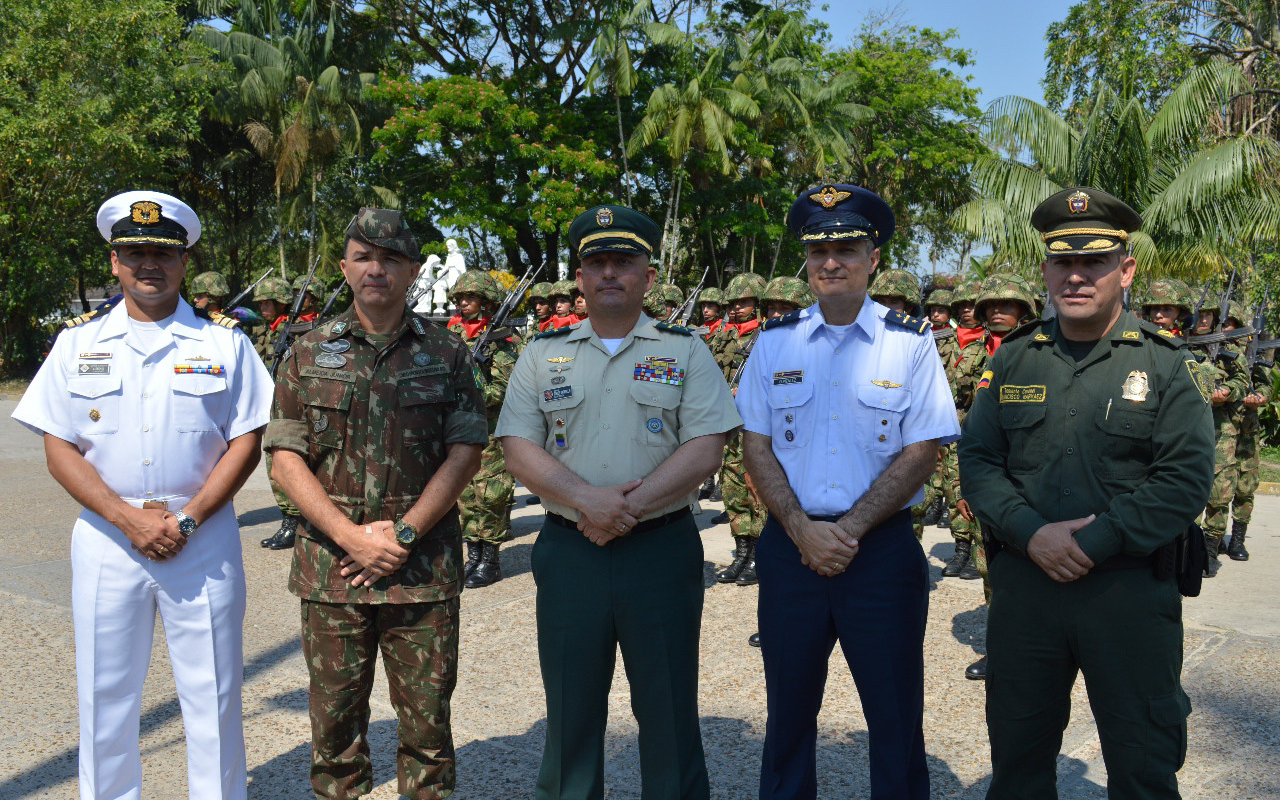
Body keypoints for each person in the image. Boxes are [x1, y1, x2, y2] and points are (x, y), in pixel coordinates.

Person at [12, 190, 273, 799]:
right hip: (107, 536)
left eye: (162, 253)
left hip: (202, 536)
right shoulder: (77, 343)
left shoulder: (225, 342)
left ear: (183, 261)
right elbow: (59, 446)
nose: (147, 265)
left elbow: (246, 441)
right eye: (134, 253)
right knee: (105, 695)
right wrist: (127, 519)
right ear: (113, 261)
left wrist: (185, 520)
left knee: (212, 694)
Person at [958, 187, 1214, 800]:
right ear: (1045, 269)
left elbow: (1184, 477)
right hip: (1026, 593)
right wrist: (1031, 533)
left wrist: (1094, 541)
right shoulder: (1015, 359)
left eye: (1093, 262)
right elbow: (978, 460)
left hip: (1127, 593)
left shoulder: (1164, 364)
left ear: (1124, 270)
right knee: (1018, 764)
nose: (1075, 276)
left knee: (1143, 764)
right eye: (1062, 262)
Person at [496, 203, 740, 800]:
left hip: (659, 551)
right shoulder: (538, 354)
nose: (610, 273)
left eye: (623, 261)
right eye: (596, 262)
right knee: (571, 706)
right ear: (578, 278)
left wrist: (622, 509)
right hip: (569, 549)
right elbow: (517, 447)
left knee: (669, 707)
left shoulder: (686, 351)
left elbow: (707, 446)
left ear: (648, 276)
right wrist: (586, 501)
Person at [738, 184, 959, 800]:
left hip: (881, 554)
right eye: (817, 250)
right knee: (786, 715)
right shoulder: (773, 342)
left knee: (893, 717)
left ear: (873, 257)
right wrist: (803, 530)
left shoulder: (909, 343)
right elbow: (755, 445)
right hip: (790, 549)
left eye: (847, 248)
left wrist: (850, 529)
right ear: (805, 260)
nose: (830, 261)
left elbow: (924, 450)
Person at [264, 209, 488, 800]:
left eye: (391, 259)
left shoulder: (448, 353)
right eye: (364, 257)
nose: (377, 269)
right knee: (334, 729)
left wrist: (404, 535)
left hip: (421, 570)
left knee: (428, 728)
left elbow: (466, 451)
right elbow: (286, 458)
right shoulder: (307, 352)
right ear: (345, 268)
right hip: (333, 572)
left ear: (413, 271)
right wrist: (352, 537)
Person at [446, 270, 520, 588]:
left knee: (490, 495)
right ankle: (473, 557)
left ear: (487, 302)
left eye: (471, 298)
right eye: (461, 298)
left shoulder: (501, 344)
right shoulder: (454, 336)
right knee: (465, 495)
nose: (464, 303)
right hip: (460, 431)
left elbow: (502, 391)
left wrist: (463, 393)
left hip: (490, 431)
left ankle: (490, 561)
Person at [1188, 294, 1250, 576]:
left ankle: (1211, 551)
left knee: (1220, 490)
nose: (1203, 320)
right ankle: (1188, 546)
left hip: (1220, 426)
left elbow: (1243, 378)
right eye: (1199, 314)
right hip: (1186, 425)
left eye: (1209, 315)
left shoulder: (1227, 346)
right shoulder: (1180, 343)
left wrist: (1227, 392)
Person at [710, 272, 769, 568]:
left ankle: (760, 552)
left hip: (756, 424)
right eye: (732, 302)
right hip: (727, 422)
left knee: (755, 487)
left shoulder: (769, 335)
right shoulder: (722, 336)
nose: (736, 308)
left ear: (757, 304)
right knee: (731, 487)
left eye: (743, 302)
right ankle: (742, 549)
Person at [1222, 302, 1270, 561]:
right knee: (1216, 486)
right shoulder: (1215, 351)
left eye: (1230, 325)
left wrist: (1260, 397)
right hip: (1219, 428)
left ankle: (1237, 540)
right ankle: (1213, 536)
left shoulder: (1253, 353)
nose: (1226, 330)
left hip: (1247, 429)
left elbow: (1266, 384)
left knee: (1245, 485)